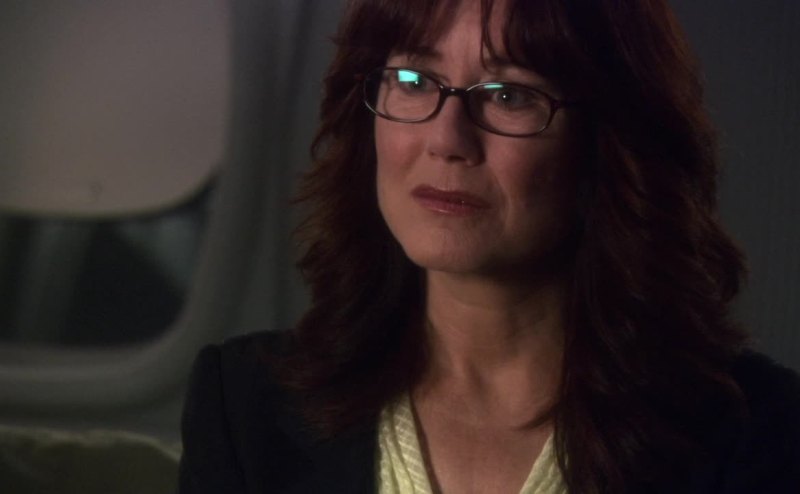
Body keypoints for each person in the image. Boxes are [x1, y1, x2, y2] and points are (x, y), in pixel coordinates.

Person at [178, 0, 800, 492]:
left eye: (509, 95)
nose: (447, 140)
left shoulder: (758, 432)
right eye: (414, 80)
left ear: (607, 146)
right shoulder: (246, 406)